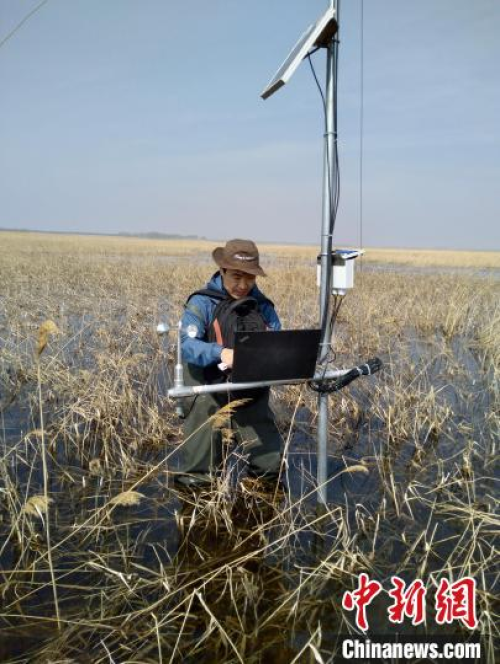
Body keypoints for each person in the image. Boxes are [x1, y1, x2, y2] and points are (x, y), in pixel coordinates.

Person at [175, 239, 283, 488]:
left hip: (250, 389)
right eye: (236, 276)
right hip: (206, 388)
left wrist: (284, 360)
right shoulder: (201, 302)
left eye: (250, 278)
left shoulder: (264, 307)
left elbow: (276, 341)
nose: (243, 285)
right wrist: (221, 353)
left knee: (270, 469)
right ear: (222, 270)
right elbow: (186, 345)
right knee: (199, 477)